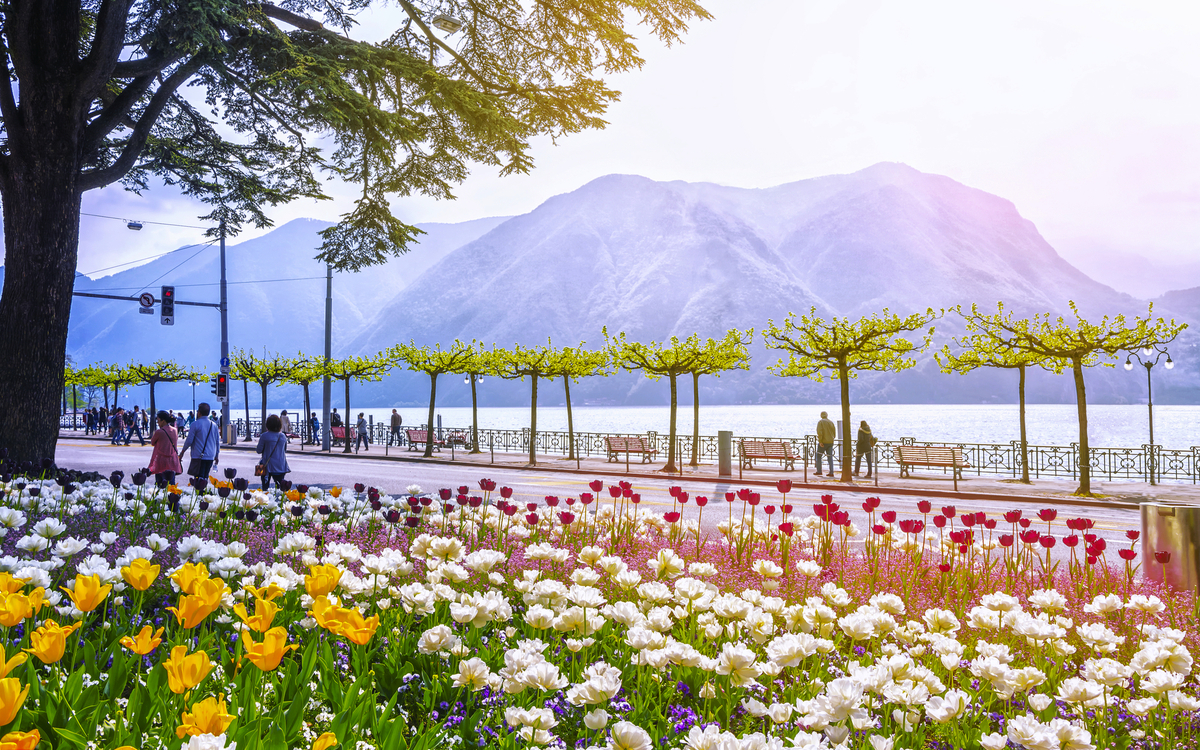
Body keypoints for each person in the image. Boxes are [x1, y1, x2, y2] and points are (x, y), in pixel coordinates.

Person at [180, 402, 220, 480]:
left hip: (198, 456)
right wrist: (217, 455)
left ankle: (200, 488)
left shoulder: (195, 424)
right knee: (205, 478)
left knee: (198, 480)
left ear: (199, 412)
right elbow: (217, 442)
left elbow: (189, 441)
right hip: (210, 456)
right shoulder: (214, 425)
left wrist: (182, 452)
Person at [148, 410, 183, 488]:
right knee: (171, 484)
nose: (158, 423)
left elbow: (152, 442)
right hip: (172, 461)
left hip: (161, 461)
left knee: (160, 484)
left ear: (163, 421)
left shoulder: (159, 432)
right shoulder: (175, 430)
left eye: (158, 420)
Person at [255, 414, 291, 490]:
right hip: (280, 465)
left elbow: (259, 450)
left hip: (266, 465)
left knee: (265, 488)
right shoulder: (282, 436)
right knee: (280, 488)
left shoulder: (264, 436)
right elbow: (284, 450)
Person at [815, 411, 836, 476]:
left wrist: (820, 441)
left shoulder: (820, 422)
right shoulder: (831, 422)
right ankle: (831, 472)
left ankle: (819, 471)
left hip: (823, 442)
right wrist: (832, 439)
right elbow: (834, 432)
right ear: (827, 415)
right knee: (830, 457)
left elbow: (820, 432)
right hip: (830, 442)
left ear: (821, 416)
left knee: (818, 456)